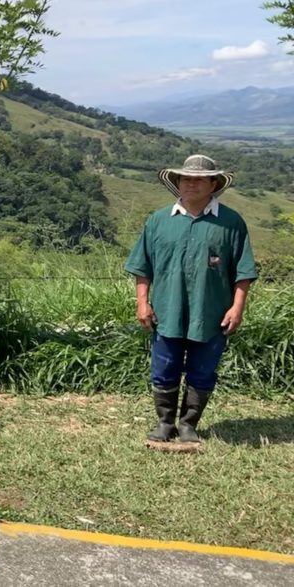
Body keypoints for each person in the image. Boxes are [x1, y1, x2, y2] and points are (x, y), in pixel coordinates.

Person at [124, 154, 257, 446]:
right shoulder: (159, 221)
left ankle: (188, 424)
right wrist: (142, 302)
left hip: (212, 311)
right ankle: (164, 422)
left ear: (213, 184)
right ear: (176, 183)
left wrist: (238, 307)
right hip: (166, 310)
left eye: (198, 180)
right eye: (185, 178)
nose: (191, 184)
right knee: (164, 366)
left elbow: (243, 271)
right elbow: (142, 267)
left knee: (203, 368)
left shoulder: (231, 223)